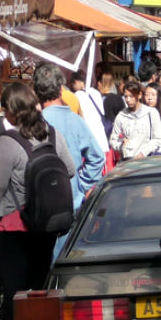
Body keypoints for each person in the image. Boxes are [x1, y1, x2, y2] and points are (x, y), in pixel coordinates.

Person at [0, 82, 76, 320]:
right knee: (38, 290)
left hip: (11, 229)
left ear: (11, 112)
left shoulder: (6, 143)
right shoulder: (52, 135)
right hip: (44, 225)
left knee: (16, 296)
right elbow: (69, 169)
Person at [32, 64, 105, 210]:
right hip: (72, 201)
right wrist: (80, 185)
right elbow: (97, 158)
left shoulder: (34, 123)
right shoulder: (75, 121)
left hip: (42, 203)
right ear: (61, 90)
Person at [110, 80, 161, 160]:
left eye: (131, 96)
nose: (128, 100)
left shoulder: (151, 113)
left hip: (147, 161)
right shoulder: (121, 116)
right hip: (127, 162)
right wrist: (121, 144)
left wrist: (144, 152)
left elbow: (158, 138)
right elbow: (113, 140)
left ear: (139, 95)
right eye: (126, 96)